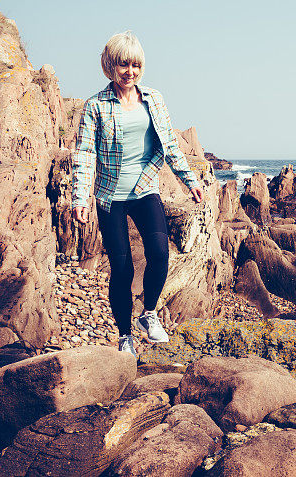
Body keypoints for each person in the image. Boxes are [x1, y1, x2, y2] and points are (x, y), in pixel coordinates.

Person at [71, 31, 204, 356]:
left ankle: (148, 314)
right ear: (110, 66)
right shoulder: (96, 106)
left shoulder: (154, 99)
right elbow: (85, 154)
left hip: (145, 190)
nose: (130, 71)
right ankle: (124, 336)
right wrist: (79, 198)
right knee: (123, 268)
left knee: (160, 254)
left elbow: (169, 144)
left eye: (136, 64)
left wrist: (190, 179)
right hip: (109, 197)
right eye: (123, 64)